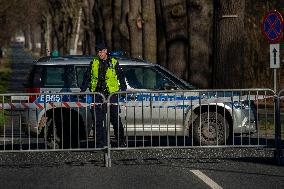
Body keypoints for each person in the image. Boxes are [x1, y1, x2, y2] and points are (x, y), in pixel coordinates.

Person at [81, 43, 127, 147]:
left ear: (105, 51)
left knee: (115, 118)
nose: (99, 54)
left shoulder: (114, 62)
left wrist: (123, 90)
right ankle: (100, 143)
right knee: (98, 120)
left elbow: (121, 77)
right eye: (98, 52)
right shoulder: (93, 63)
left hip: (112, 95)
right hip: (97, 94)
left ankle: (120, 141)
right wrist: (82, 89)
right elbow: (87, 77)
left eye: (101, 51)